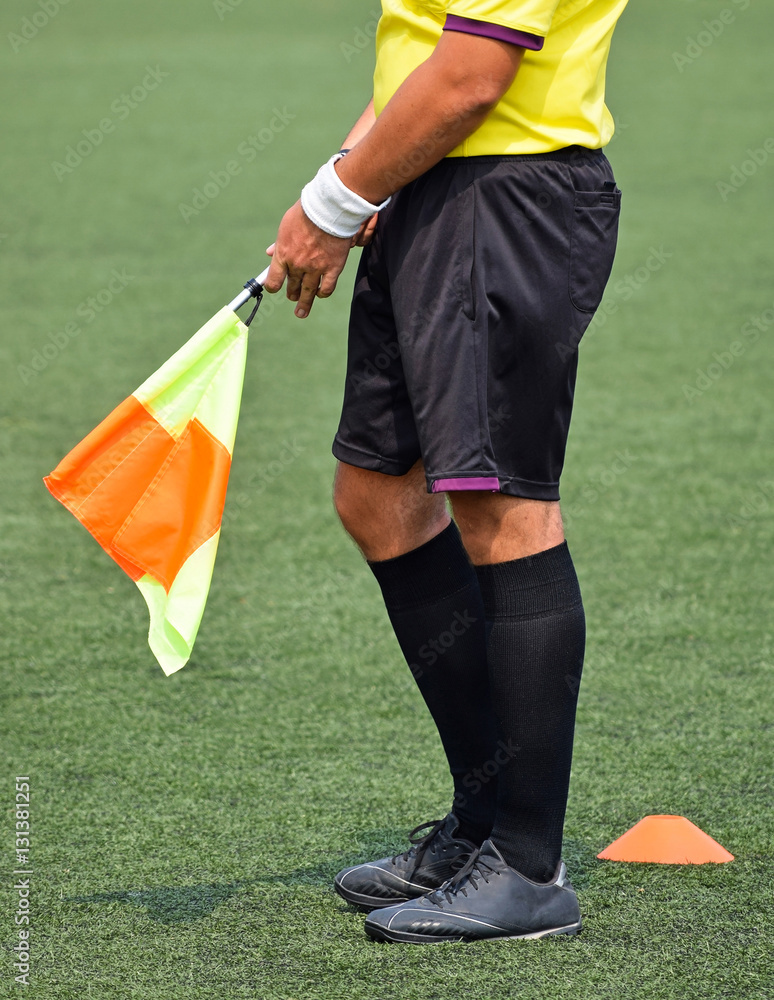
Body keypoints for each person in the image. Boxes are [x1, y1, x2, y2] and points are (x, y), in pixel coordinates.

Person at [264, 0, 628, 944]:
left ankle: (527, 865)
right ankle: (480, 826)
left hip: (508, 196)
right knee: (379, 496)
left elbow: (473, 74)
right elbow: (422, 60)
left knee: (500, 504)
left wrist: (336, 204)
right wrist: (344, 186)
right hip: (427, 185)